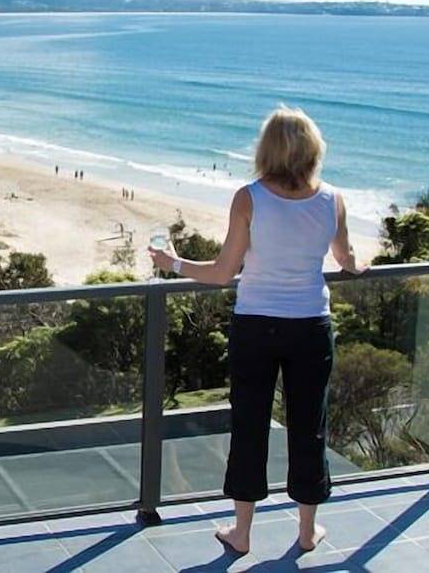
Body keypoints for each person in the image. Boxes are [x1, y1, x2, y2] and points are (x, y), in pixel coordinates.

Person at [149, 106, 365, 555]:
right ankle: (306, 532)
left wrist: (173, 264)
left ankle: (242, 534)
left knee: (250, 426)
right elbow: (346, 260)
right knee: (310, 427)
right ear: (313, 149)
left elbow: (224, 272)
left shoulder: (249, 198)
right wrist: (361, 266)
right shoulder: (333, 200)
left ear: (267, 149)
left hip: (256, 326)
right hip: (310, 327)